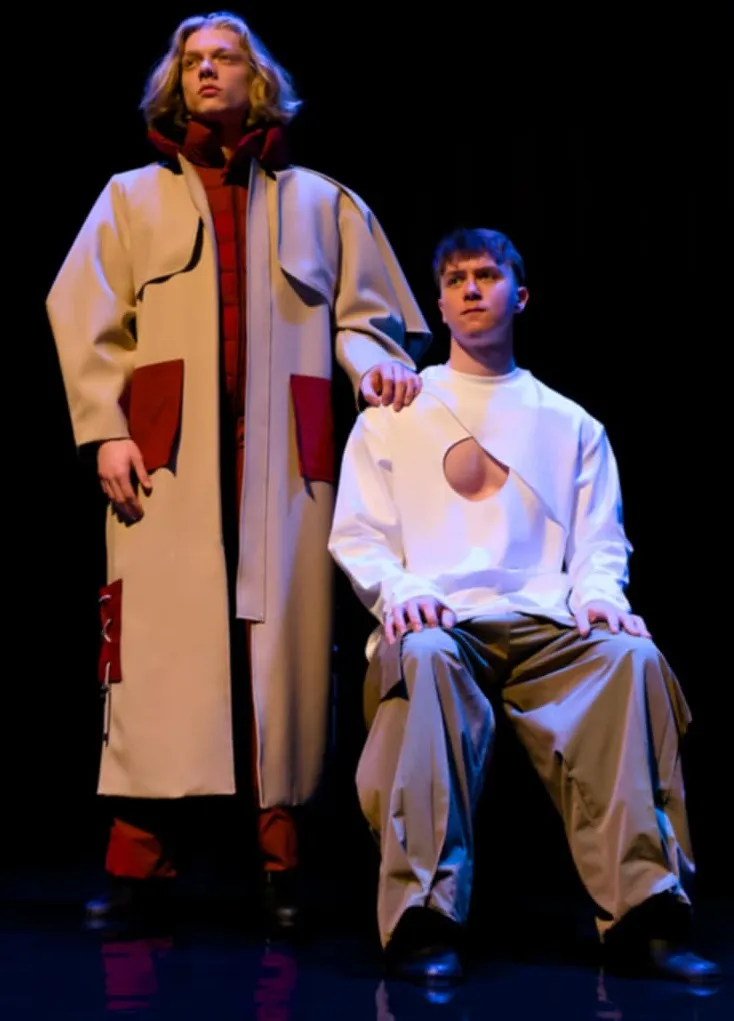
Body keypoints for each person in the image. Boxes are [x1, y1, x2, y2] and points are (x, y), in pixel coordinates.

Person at [46, 11, 429, 933]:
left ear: (259, 80)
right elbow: (86, 318)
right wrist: (105, 431)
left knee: (282, 662)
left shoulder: (321, 202)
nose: (207, 71)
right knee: (155, 661)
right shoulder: (130, 198)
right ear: (175, 83)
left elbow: (369, 318)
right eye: (192, 61)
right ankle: (140, 868)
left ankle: (281, 868)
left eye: (225, 57)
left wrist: (371, 364)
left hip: (284, 467)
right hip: (166, 464)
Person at [328, 227, 720, 984]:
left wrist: (600, 597)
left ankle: (647, 912)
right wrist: (402, 591)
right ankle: (423, 916)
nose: (472, 288)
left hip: (548, 625)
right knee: (425, 658)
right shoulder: (397, 411)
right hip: (443, 620)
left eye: (487, 274)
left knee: (633, 658)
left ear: (521, 295)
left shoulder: (570, 423)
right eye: (455, 280)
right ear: (440, 305)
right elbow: (360, 534)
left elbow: (600, 542)